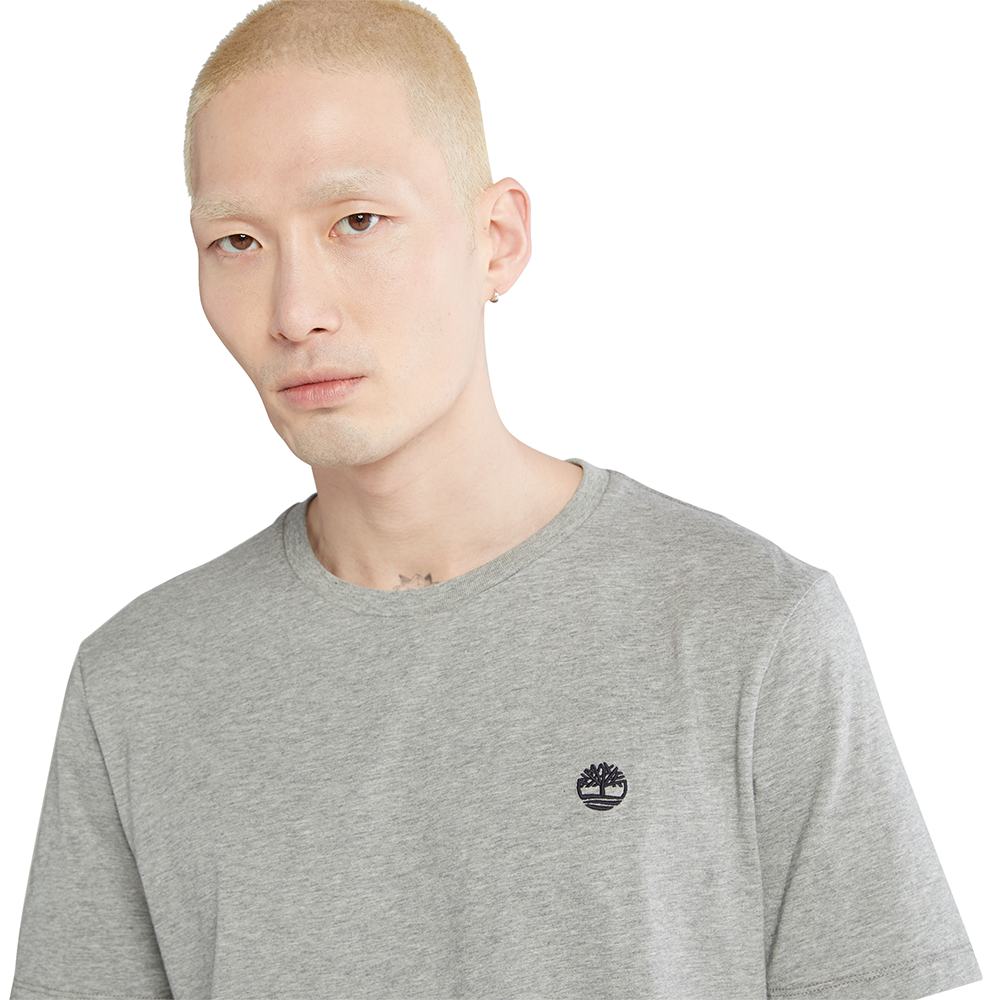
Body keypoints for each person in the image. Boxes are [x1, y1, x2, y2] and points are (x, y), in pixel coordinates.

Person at [8, 1, 984, 998]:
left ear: (498, 238)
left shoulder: (749, 629)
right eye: (236, 242)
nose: (294, 311)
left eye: (356, 222)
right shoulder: (136, 686)